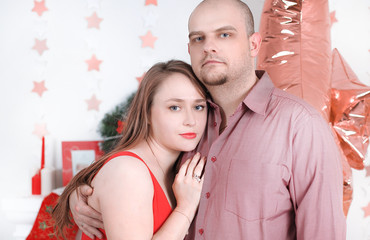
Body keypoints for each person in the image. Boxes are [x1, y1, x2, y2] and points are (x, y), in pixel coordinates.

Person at [69, 0, 347, 239]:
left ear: (253, 44)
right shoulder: (188, 125)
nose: (209, 47)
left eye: (224, 35)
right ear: (189, 49)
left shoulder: (301, 126)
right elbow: (133, 171)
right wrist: (80, 195)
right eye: (198, 38)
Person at [52, 60, 209, 239]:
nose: (191, 120)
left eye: (198, 107)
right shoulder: (129, 171)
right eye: (174, 107)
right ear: (147, 113)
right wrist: (185, 209)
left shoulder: (176, 172)